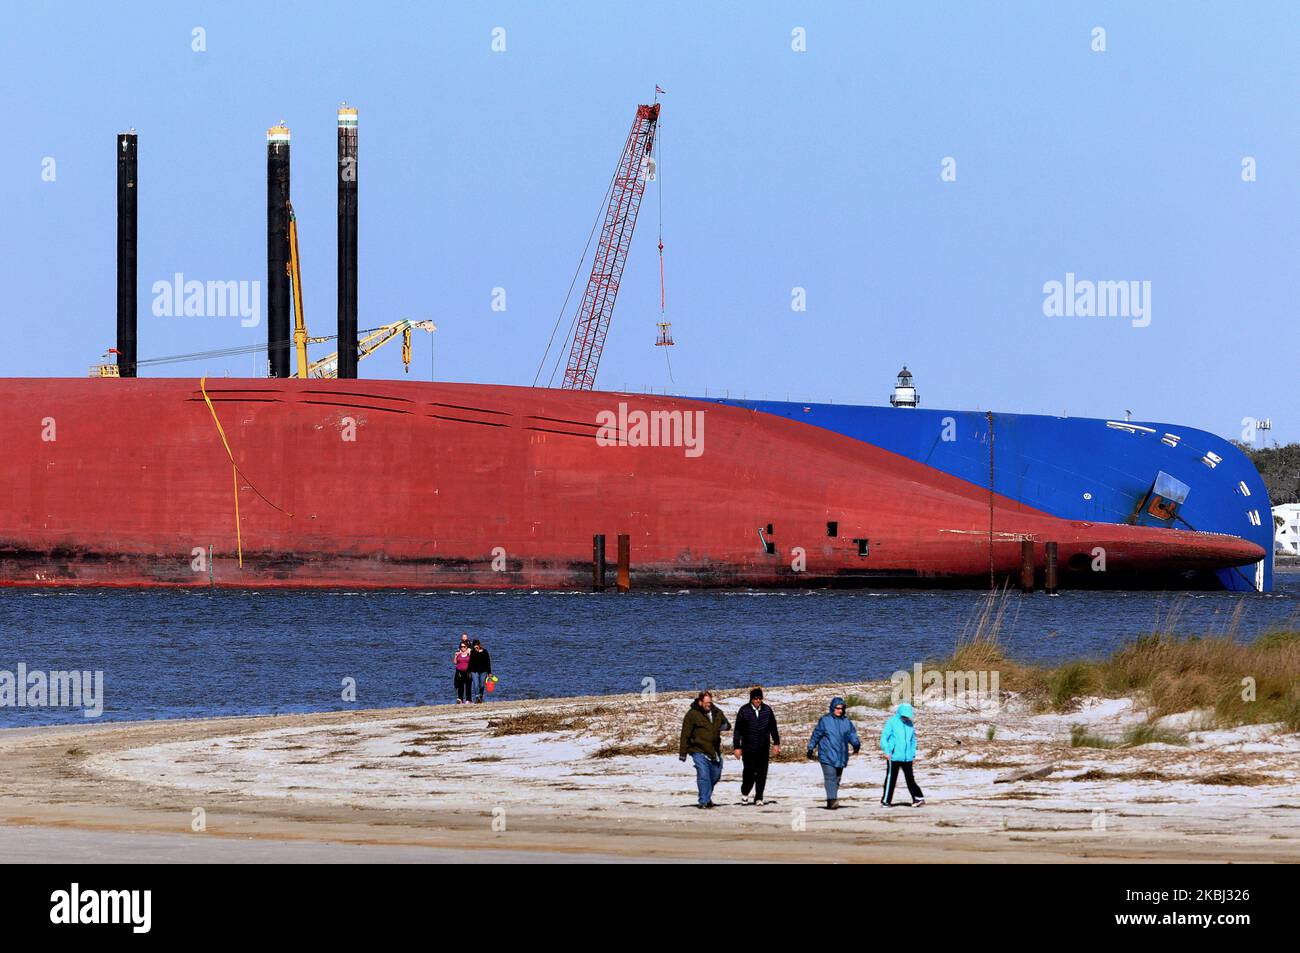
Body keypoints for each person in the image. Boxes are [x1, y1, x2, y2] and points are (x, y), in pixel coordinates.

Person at [678, 690, 732, 809]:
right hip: (698, 750)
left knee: (715, 776)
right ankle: (703, 801)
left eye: (710, 702)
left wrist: (724, 726)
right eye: (706, 702)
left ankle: (706, 797)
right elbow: (685, 734)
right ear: (700, 702)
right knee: (703, 775)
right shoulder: (692, 714)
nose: (709, 705)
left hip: (714, 751)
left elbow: (727, 724)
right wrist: (683, 753)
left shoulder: (717, 712)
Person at [806, 696, 860, 809]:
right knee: (830, 776)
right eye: (837, 708)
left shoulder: (846, 722)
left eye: (841, 708)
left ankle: (832, 798)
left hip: (841, 755)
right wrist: (811, 748)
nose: (839, 710)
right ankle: (832, 801)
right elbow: (816, 734)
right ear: (832, 708)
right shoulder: (825, 720)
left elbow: (852, 735)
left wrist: (856, 745)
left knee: (837, 778)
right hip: (827, 755)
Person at [732, 686, 780, 805]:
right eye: (756, 698)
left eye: (760, 698)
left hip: (763, 747)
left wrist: (776, 743)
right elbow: (737, 730)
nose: (758, 700)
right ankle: (745, 792)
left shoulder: (767, 710)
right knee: (749, 772)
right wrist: (737, 747)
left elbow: (773, 727)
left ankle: (759, 797)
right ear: (751, 699)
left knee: (762, 773)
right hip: (748, 748)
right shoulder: (744, 711)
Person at [880, 702, 925, 807]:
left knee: (910, 778)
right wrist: (887, 751)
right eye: (904, 715)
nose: (906, 718)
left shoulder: (910, 724)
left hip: (907, 757)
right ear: (900, 713)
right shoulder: (891, 722)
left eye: (907, 716)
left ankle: (918, 798)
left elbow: (913, 740)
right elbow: (884, 738)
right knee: (891, 779)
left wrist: (912, 753)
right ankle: (886, 801)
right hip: (893, 756)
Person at [468, 639, 493, 703]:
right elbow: (470, 662)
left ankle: (481, 696)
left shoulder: (485, 651)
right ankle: (477, 697)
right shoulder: (472, 652)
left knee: (482, 685)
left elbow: (488, 662)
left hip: (483, 671)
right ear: (473, 646)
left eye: (477, 645)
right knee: (476, 684)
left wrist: (489, 672)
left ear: (479, 645)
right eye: (475, 645)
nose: (476, 646)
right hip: (474, 671)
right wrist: (469, 671)